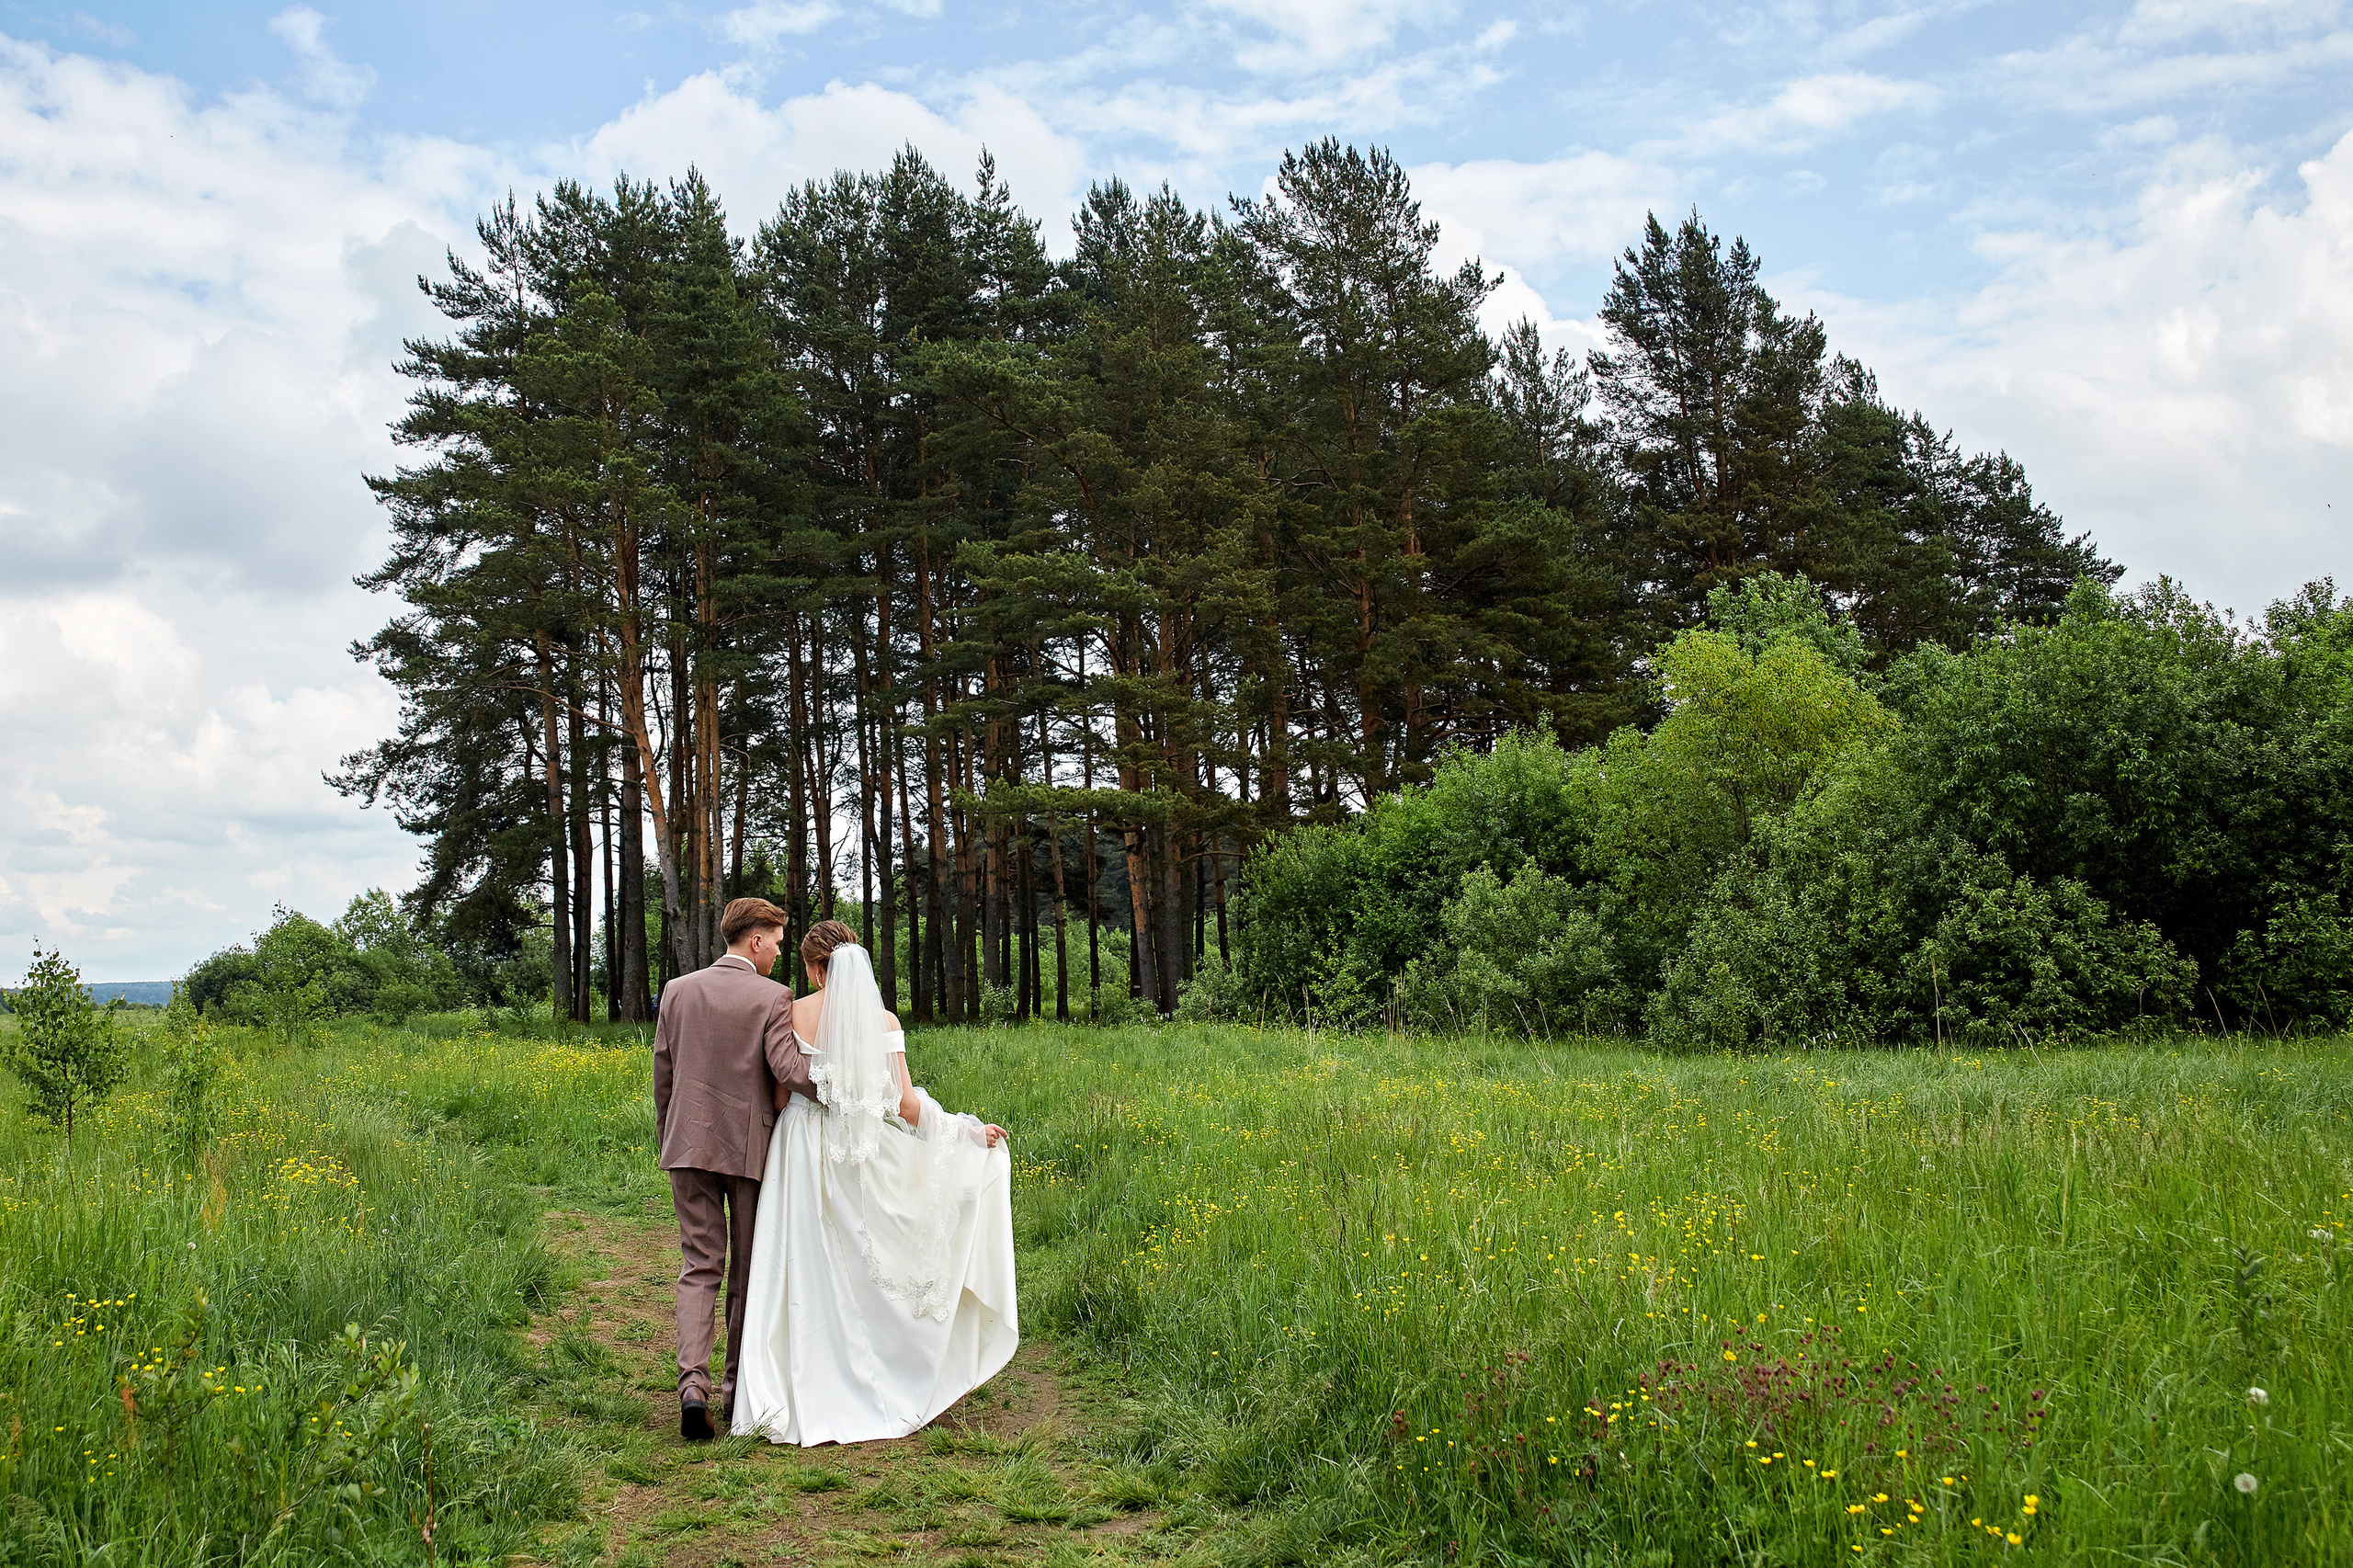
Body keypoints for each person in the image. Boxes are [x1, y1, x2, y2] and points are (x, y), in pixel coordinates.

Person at [732, 919, 1017, 1445]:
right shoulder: (882, 1019)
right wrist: (965, 1132)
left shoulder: (789, 1012)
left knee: (800, 1262)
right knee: (861, 1260)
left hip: (798, 1146)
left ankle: (794, 1381)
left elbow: (777, 1097)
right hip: (855, 1147)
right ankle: (879, 1372)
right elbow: (906, 1107)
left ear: (818, 970)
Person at [651, 897, 815, 1440]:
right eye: (776, 941)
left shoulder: (678, 991)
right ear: (754, 941)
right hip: (747, 1152)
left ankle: (690, 1387)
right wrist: (854, 1073)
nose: (779, 951)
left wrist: (669, 1139)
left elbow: (664, 1076)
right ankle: (735, 1389)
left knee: (699, 1266)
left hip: (687, 1146)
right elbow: (791, 1072)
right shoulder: (772, 997)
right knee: (745, 1273)